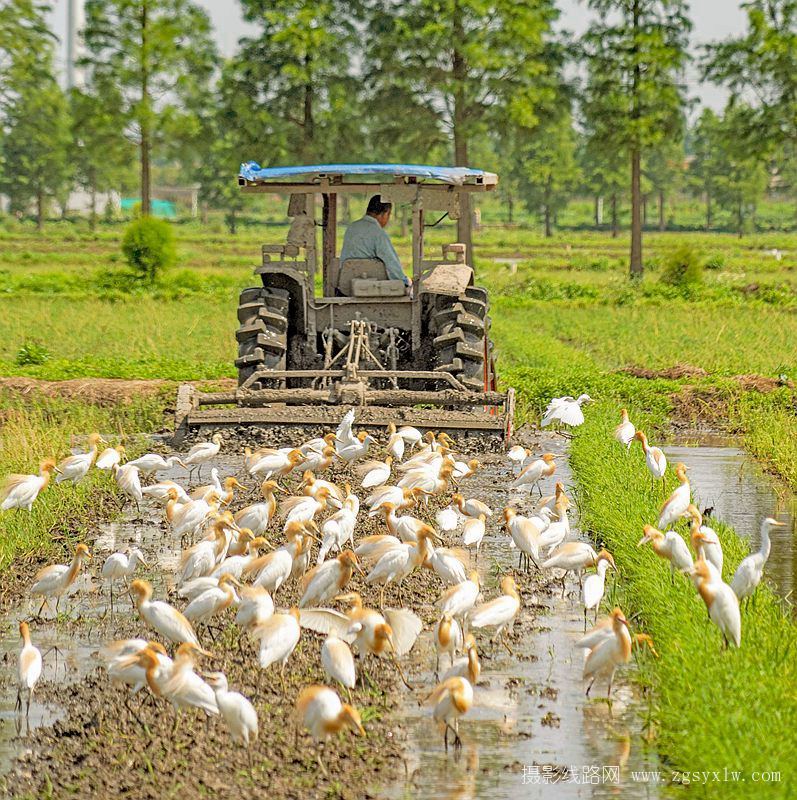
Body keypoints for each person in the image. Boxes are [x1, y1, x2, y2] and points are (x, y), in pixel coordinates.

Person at [339, 195, 410, 291]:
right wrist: (404, 281)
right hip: (367, 287)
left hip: (345, 284)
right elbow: (391, 262)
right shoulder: (378, 233)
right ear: (385, 214)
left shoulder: (352, 227)